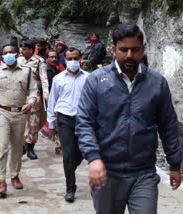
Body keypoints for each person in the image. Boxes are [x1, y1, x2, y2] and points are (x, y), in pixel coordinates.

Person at [76, 24, 182, 214]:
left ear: (144, 50)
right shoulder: (96, 81)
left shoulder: (157, 83)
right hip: (107, 172)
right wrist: (93, 158)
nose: (129, 55)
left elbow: (168, 126)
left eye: (135, 49)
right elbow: (84, 123)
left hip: (144, 174)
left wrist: (175, 164)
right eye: (123, 50)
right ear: (113, 49)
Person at [0, 44, 38, 198]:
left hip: (20, 113)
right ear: (1, 56)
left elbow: (34, 90)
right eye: (5, 53)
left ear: (17, 54)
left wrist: (31, 101)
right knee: (1, 146)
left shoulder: (27, 72)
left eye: (11, 52)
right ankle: (1, 181)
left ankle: (14, 175)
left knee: (16, 147)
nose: (9, 55)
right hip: (2, 112)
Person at [47, 47, 88, 203]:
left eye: (75, 58)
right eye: (69, 59)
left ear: (80, 59)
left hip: (84, 120)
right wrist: (51, 123)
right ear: (65, 60)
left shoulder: (89, 78)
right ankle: (70, 188)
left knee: (82, 152)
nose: (72, 62)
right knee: (67, 154)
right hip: (64, 119)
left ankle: (71, 167)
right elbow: (52, 100)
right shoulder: (58, 79)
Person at [18, 39, 49, 160]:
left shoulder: (39, 62)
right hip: (19, 96)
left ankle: (30, 147)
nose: (22, 50)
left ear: (31, 50)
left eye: (24, 48)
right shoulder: (18, 60)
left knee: (34, 123)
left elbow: (44, 78)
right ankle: (21, 146)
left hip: (34, 96)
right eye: (21, 48)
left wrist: (46, 92)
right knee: (19, 122)